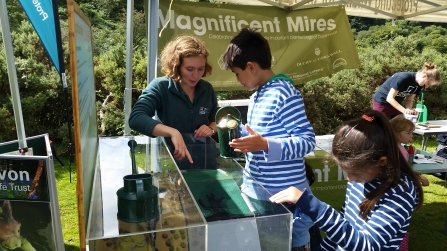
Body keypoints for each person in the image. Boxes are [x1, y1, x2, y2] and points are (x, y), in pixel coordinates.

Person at [269, 110, 424, 251]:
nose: (349, 180)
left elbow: (366, 245)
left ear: (381, 161)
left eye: (355, 173)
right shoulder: (361, 180)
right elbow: (345, 224)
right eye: (346, 172)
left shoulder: (400, 192)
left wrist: (312, 205)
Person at [222, 28, 316, 251]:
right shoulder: (257, 96)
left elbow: (307, 141)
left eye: (237, 73)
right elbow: (261, 134)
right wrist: (241, 139)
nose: (238, 80)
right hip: (261, 195)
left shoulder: (285, 93)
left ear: (251, 67)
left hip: (284, 199)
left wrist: (265, 144)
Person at [129, 35, 218, 170]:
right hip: (171, 164)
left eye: (201, 68)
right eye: (190, 69)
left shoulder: (207, 89)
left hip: (206, 163)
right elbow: (136, 118)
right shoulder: (160, 86)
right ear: (176, 66)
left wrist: (211, 129)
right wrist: (173, 132)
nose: (196, 75)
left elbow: (216, 119)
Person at [372, 62, 441, 118]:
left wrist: (409, 112)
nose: (427, 86)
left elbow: (409, 99)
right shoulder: (403, 78)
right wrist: (404, 111)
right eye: (428, 83)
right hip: (382, 102)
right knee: (383, 127)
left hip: (396, 104)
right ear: (424, 76)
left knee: (399, 127)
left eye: (430, 85)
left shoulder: (420, 85)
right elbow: (389, 98)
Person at [389, 114, 429, 186]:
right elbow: (402, 172)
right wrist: (420, 178)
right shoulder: (399, 151)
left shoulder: (391, 146)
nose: (412, 135)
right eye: (408, 133)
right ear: (396, 133)